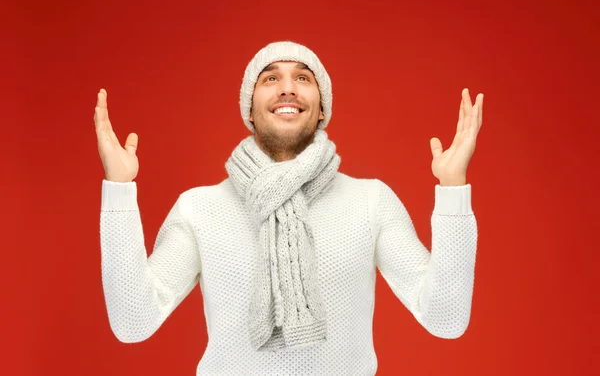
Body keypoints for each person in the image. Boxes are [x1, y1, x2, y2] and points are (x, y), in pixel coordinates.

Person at [95, 40, 484, 375]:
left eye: (302, 78)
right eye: (270, 78)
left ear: (321, 110)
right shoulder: (200, 208)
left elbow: (445, 320)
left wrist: (453, 189)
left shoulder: (370, 202)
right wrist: (119, 189)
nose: (287, 89)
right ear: (250, 110)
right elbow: (133, 322)